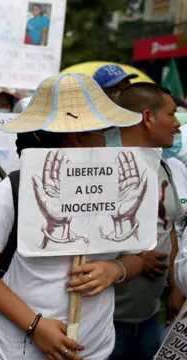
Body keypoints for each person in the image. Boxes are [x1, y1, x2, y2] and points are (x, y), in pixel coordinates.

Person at [0, 73, 145, 360]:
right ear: (77, 139)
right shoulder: (16, 189)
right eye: (106, 130)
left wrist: (115, 271)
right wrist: (35, 326)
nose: (114, 137)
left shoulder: (120, 188)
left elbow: (136, 256)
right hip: (18, 349)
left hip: (94, 348)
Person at [108, 83, 184, 360]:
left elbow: (171, 227)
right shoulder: (104, 171)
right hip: (107, 324)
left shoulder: (164, 166)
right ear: (148, 117)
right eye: (172, 114)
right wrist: (136, 258)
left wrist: (176, 288)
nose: (177, 124)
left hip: (152, 318)